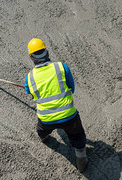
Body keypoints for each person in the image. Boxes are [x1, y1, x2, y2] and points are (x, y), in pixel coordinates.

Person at [24, 38, 88, 172]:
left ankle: (44, 137)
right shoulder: (61, 67)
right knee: (77, 135)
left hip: (46, 119)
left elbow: (29, 92)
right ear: (47, 51)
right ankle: (81, 157)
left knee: (41, 129)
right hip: (69, 116)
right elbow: (72, 87)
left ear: (31, 57)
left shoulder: (29, 77)